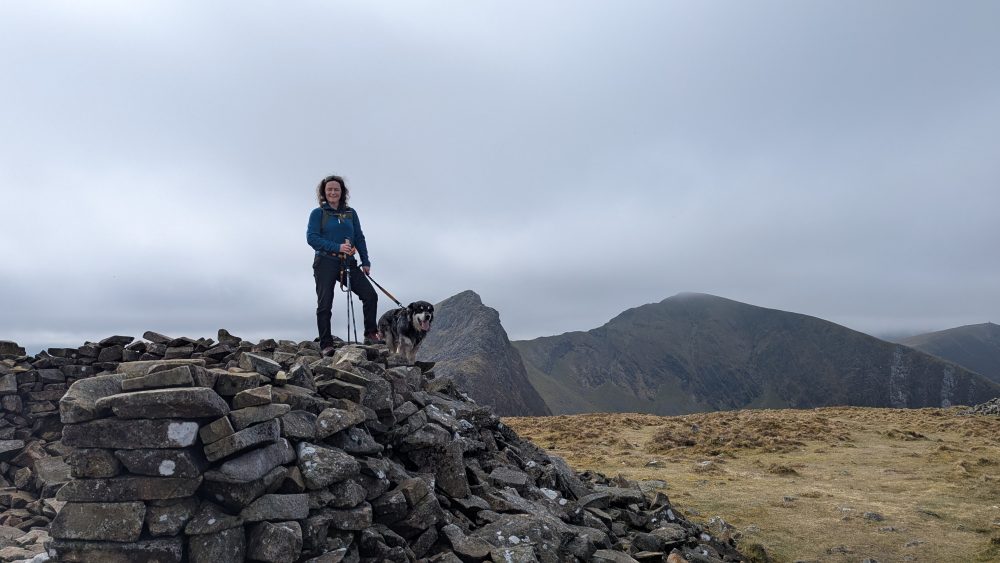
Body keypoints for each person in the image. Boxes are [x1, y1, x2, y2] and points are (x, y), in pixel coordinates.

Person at [307, 174, 380, 354]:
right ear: (324, 192)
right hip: (325, 261)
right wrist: (338, 246)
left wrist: (365, 260)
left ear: (342, 192)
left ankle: (370, 334)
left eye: (336, 189)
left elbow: (359, 238)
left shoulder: (350, 213)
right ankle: (326, 344)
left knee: (370, 295)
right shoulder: (318, 214)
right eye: (329, 189)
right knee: (325, 304)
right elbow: (312, 238)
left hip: (348, 262)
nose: (333, 192)